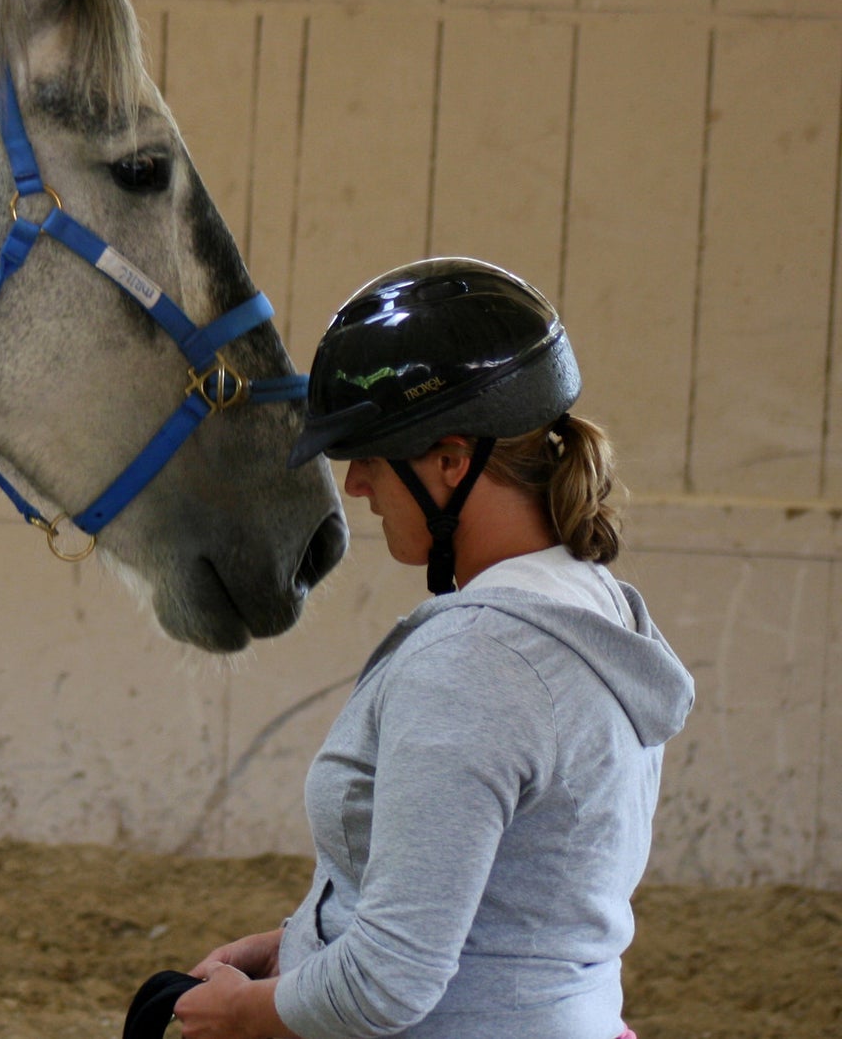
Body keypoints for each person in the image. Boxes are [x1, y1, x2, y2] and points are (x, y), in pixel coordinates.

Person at [171, 258, 694, 1039]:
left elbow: (389, 984)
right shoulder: (595, 610)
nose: (354, 487)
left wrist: (249, 1015)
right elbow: (511, 905)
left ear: (451, 460)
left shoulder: (478, 664)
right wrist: (303, 942)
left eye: (371, 456)